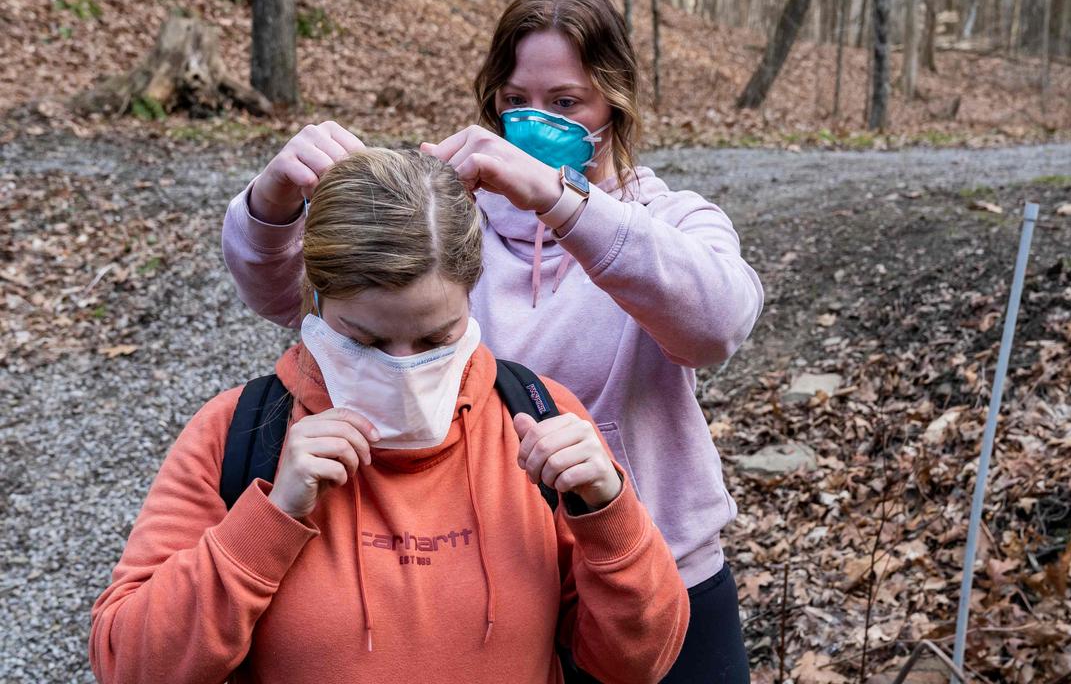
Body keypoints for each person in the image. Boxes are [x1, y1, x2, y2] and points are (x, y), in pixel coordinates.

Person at [221, 0, 762, 681]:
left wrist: (559, 200)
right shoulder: (458, 229)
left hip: (661, 573)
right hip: (504, 586)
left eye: (566, 103)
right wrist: (271, 201)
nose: (536, 119)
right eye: (516, 101)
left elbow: (717, 326)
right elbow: (294, 301)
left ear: (614, 103)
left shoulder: (672, 222)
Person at [90, 149, 689, 684]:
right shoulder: (241, 432)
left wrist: (609, 513)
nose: (405, 366)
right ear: (317, 300)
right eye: (368, 340)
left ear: (472, 296)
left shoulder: (536, 414)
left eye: (435, 337)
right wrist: (270, 520)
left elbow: (640, 662)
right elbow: (129, 664)